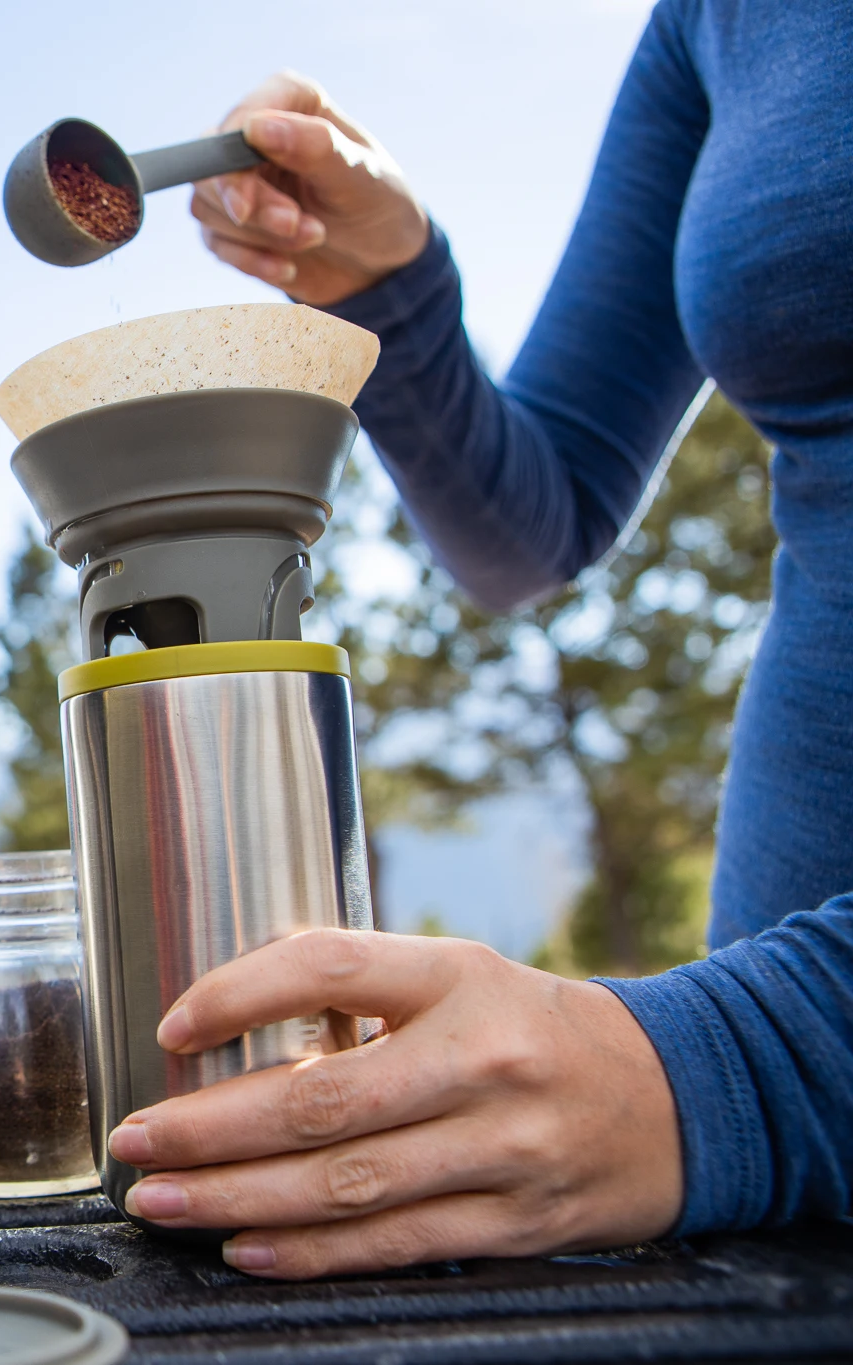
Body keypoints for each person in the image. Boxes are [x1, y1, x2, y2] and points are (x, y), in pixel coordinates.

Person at [107, 0, 853, 1278]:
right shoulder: (718, 23)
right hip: (769, 1085)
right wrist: (383, 282)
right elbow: (530, 526)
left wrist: (713, 1072)